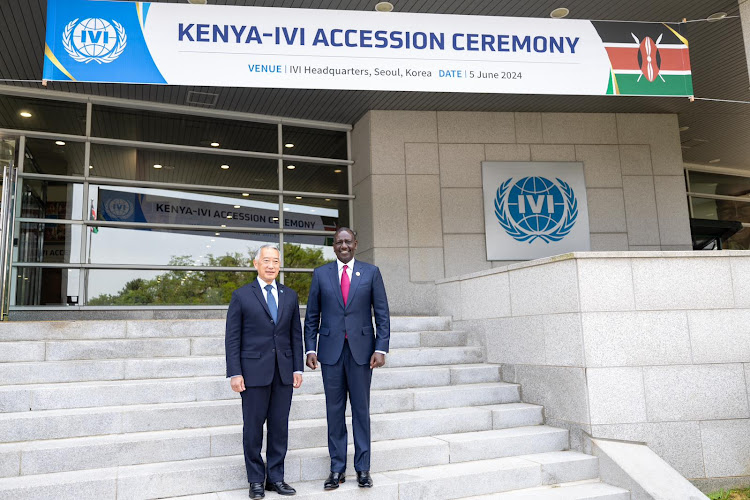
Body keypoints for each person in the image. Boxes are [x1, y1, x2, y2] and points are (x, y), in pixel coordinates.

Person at [304, 227, 390, 490]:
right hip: (330, 353)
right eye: (339, 242)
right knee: (334, 412)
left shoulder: (371, 273)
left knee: (361, 412)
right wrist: (310, 349)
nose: (344, 246)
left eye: (348, 241)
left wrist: (381, 348)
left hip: (362, 353)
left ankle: (363, 468)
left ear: (356, 244)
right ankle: (337, 469)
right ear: (333, 246)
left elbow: (382, 314)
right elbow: (312, 316)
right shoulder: (321, 274)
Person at [225, 244, 303, 499]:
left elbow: (295, 334)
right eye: (266, 260)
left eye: (275, 261)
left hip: (283, 372)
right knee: (253, 428)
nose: (271, 265)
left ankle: (276, 478)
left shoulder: (289, 295)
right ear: (256, 264)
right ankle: (256, 480)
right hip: (253, 373)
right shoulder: (241, 296)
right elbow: (232, 338)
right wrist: (235, 372)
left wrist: (298, 368)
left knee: (280, 427)